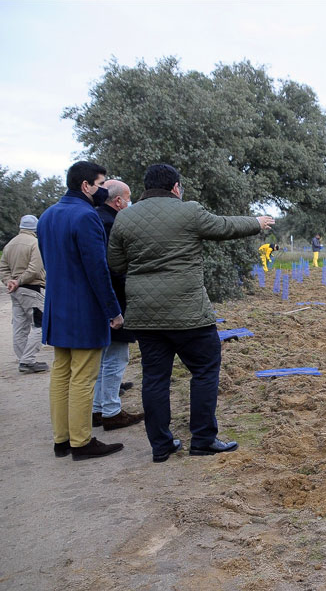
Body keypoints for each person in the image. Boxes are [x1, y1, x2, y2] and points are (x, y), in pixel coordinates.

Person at [108, 164, 275, 462]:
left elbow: (117, 265)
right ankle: (203, 439)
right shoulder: (189, 211)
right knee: (205, 371)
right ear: (175, 187)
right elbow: (224, 226)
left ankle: (160, 446)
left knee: (155, 378)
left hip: (145, 316)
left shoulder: (124, 217)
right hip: (188, 312)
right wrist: (257, 222)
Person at [37, 161, 125, 461]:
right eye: (101, 184)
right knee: (83, 377)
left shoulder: (47, 215)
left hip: (56, 306)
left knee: (60, 374)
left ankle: (61, 439)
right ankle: (81, 441)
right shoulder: (87, 216)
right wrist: (113, 310)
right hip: (83, 310)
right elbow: (97, 269)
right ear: (86, 186)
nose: (104, 190)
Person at [91, 180, 144, 431]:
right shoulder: (112, 224)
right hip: (115, 301)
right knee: (116, 357)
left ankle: (98, 408)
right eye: (129, 197)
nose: (130, 202)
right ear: (118, 201)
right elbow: (113, 268)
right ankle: (111, 411)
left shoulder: (95, 219)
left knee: (102, 357)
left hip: (99, 301)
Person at [0, 214, 48, 373]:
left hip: (15, 291)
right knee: (41, 324)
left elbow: (3, 268)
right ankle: (28, 361)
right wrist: (19, 281)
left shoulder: (9, 244)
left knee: (20, 326)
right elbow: (35, 270)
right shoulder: (36, 243)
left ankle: (23, 359)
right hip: (32, 289)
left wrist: (10, 282)